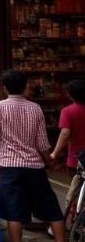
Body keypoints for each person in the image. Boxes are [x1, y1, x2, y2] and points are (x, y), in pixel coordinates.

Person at [0, 69, 73, 242]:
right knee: (52, 209)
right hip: (34, 167)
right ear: (25, 86)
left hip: (10, 167)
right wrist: (50, 162)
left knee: (14, 212)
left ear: (4, 88)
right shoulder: (36, 109)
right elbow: (42, 144)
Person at [50, 79, 85, 222]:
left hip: (76, 159)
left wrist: (54, 153)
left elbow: (65, 134)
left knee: (75, 190)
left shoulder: (68, 111)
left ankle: (73, 217)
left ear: (70, 95)